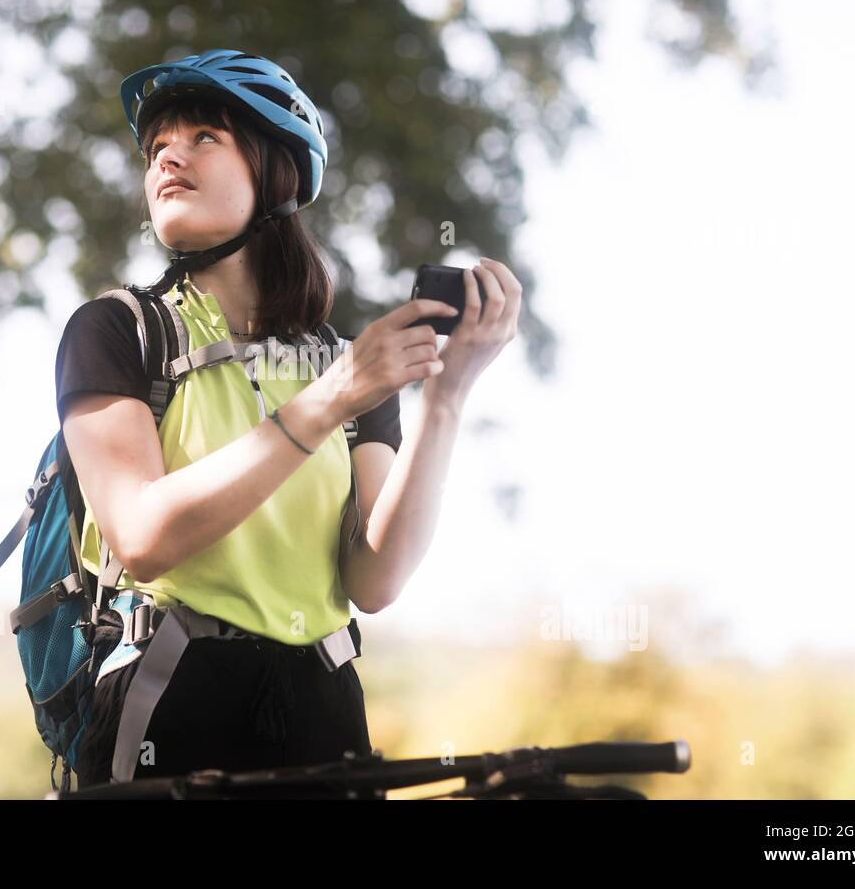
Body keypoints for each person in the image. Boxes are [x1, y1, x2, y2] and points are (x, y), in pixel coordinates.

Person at [54, 50, 522, 786]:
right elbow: (142, 537)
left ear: (277, 172)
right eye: (155, 149)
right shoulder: (118, 330)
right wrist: (330, 400)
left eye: (204, 136)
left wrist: (447, 396)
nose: (168, 156)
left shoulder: (347, 364)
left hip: (324, 701)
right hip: (171, 691)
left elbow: (374, 578)